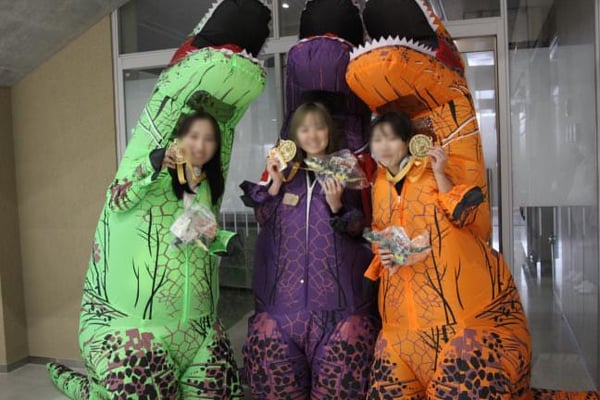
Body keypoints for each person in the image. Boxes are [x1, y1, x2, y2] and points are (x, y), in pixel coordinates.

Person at [47, 1, 272, 398]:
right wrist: (153, 163)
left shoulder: (204, 184)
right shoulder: (151, 170)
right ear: (180, 136)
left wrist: (221, 240)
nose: (201, 145)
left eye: (209, 139)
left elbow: (198, 233)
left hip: (197, 328)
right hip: (135, 330)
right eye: (194, 136)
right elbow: (118, 200)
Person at [241, 102, 379, 399]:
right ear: (294, 136)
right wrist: (275, 184)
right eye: (304, 129)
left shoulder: (346, 171)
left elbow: (360, 228)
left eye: (319, 127)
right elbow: (264, 219)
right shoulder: (286, 174)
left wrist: (337, 205)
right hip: (284, 305)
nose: (313, 135)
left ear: (329, 131)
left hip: (336, 306)